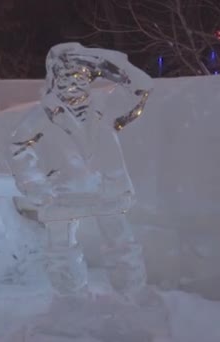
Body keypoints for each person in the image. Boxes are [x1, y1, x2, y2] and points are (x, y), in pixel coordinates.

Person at [9, 43, 153, 296]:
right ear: (54, 79)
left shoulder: (108, 106)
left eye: (82, 75)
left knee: (122, 246)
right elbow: (18, 146)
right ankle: (71, 299)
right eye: (65, 76)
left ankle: (132, 294)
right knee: (61, 252)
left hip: (109, 189)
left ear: (91, 77)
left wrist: (104, 61)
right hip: (62, 193)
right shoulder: (43, 114)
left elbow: (142, 87)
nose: (73, 82)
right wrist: (35, 185)